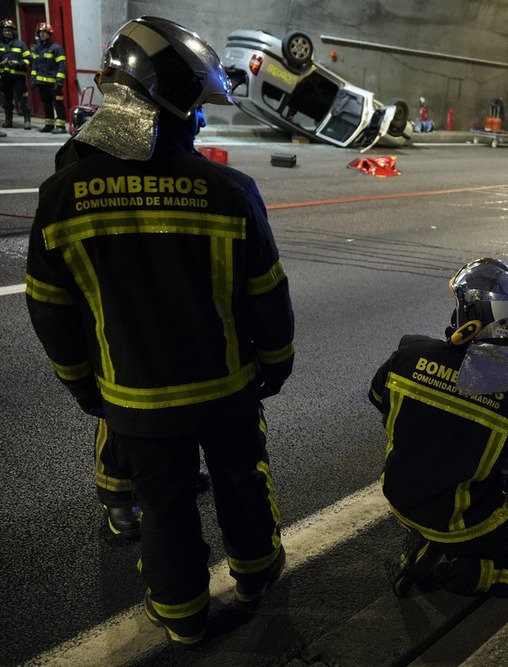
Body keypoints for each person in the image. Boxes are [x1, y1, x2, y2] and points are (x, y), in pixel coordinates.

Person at [25, 16, 294, 646]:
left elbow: (50, 309)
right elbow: (267, 296)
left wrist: (85, 387)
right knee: (242, 485)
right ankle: (257, 577)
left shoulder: (62, 195)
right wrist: (275, 366)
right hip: (228, 392)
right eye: (198, 104)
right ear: (170, 100)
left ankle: (181, 618)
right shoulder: (230, 191)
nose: (201, 119)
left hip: (136, 402)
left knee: (167, 509)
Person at [370, 257, 508, 597]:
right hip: (463, 524)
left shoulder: (406, 357)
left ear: (468, 319)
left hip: (398, 498)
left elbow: (380, 399)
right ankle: (451, 568)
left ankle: (424, 536)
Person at [30, 22, 66, 133]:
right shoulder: (37, 49)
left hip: (54, 84)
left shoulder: (56, 48)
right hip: (42, 84)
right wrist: (33, 80)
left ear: (49, 34)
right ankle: (49, 125)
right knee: (46, 105)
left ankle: (60, 126)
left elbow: (61, 66)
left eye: (45, 33)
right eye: (41, 33)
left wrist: (59, 83)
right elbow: (35, 66)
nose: (43, 35)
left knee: (58, 105)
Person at [1, 18, 31, 131]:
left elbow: (29, 60)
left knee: (23, 99)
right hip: (5, 78)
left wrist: (18, 64)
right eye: (5, 31)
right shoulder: (0, 45)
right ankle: (8, 121)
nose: (7, 33)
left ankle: (27, 120)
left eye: (9, 30)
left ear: (13, 31)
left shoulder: (20, 44)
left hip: (19, 78)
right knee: (7, 101)